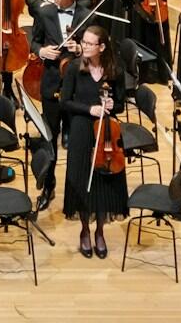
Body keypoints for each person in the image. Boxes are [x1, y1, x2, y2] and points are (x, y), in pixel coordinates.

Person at [62, 23, 132, 259]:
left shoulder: (115, 70)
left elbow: (121, 104)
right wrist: (89, 109)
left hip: (107, 133)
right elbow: (65, 102)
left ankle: (100, 231)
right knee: (82, 180)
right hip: (82, 127)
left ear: (102, 47)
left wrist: (113, 106)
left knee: (104, 182)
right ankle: (84, 230)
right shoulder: (74, 68)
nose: (85, 46)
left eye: (90, 43)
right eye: (84, 42)